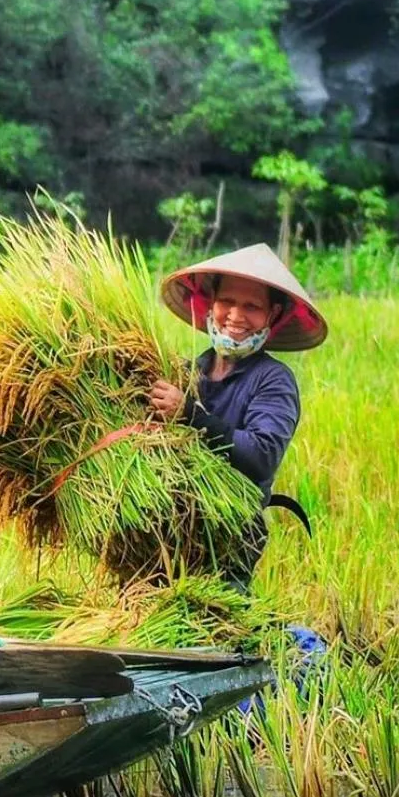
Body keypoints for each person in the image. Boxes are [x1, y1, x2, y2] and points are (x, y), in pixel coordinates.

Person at [147, 244, 328, 591]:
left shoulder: (273, 380)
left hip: (228, 537)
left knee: (210, 634)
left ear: (272, 315)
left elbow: (260, 456)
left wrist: (188, 414)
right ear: (211, 304)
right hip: (165, 531)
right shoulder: (189, 371)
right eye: (227, 301)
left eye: (252, 307)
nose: (236, 315)